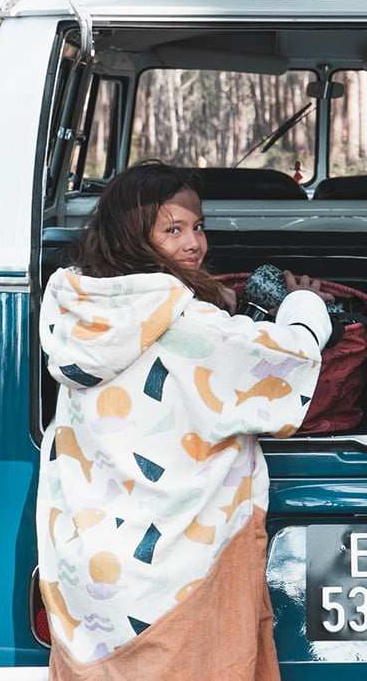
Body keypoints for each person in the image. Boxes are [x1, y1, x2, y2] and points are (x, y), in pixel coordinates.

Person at [36, 159, 332, 680]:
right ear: (133, 238)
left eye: (197, 227)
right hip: (176, 576)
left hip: (93, 569)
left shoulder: (79, 308)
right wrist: (304, 306)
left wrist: (208, 296)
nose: (194, 242)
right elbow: (284, 366)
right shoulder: (189, 327)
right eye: (172, 230)